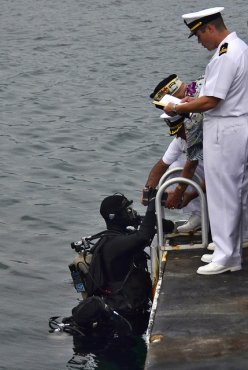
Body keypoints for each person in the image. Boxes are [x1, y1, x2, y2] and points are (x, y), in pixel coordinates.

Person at [164, 7, 248, 275]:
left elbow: (212, 100)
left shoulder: (225, 55)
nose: (200, 43)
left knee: (224, 194)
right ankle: (229, 249)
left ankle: (226, 257)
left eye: (199, 36)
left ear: (209, 29)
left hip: (225, 128)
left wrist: (177, 108)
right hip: (234, 124)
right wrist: (191, 101)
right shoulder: (239, 48)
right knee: (234, 191)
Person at [57, 193, 174, 338]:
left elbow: (158, 229)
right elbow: (143, 237)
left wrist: (154, 221)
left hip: (130, 312)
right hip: (121, 321)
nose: (132, 212)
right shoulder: (113, 245)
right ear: (115, 216)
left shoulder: (119, 238)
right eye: (128, 210)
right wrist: (151, 206)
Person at [142, 74, 205, 232]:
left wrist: (184, 195)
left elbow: (212, 172)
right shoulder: (181, 138)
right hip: (211, 174)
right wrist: (147, 191)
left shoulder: (198, 127)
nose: (176, 135)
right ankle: (200, 215)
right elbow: (162, 165)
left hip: (230, 168)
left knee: (185, 172)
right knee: (174, 168)